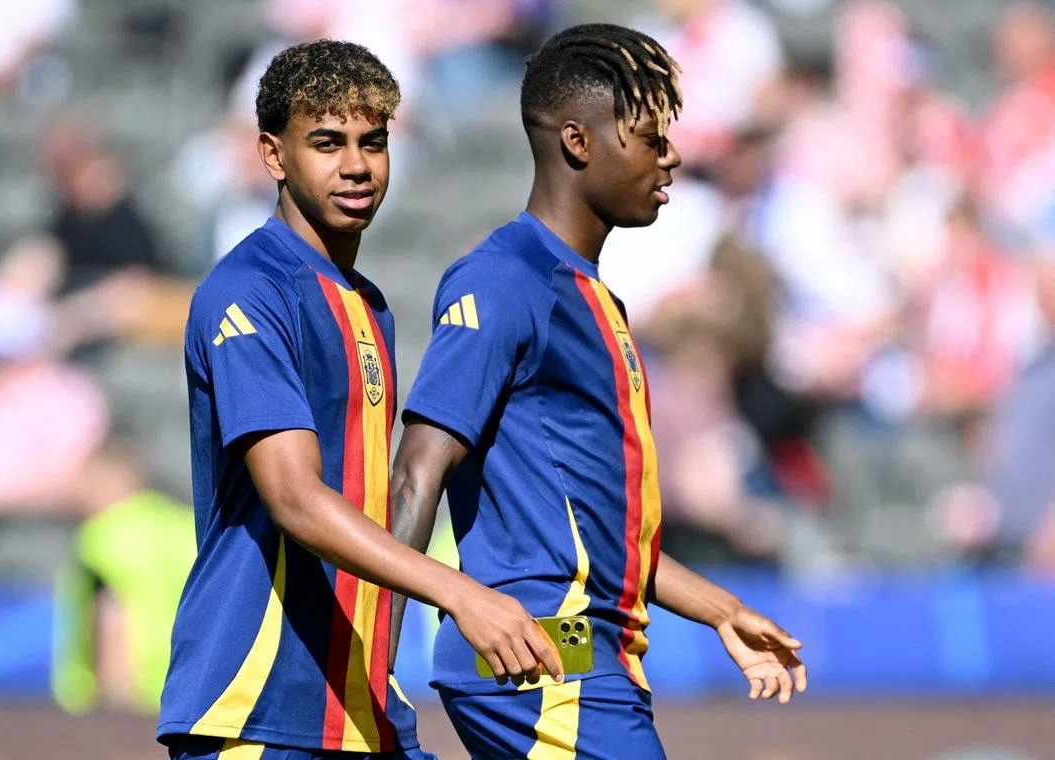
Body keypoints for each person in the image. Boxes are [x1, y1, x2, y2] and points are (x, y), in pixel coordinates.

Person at [389, 24, 806, 757]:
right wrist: (374, 663)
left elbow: (600, 531)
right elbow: (416, 471)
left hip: (583, 647)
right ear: (579, 141)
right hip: (547, 652)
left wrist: (720, 610)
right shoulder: (505, 278)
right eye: (649, 137)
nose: (671, 155)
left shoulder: (595, 301)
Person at [157, 40, 563, 760]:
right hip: (257, 708)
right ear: (272, 155)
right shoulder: (249, 290)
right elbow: (295, 497)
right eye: (327, 142)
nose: (356, 165)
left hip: (358, 708)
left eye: (372, 142)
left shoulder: (365, 304)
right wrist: (461, 594)